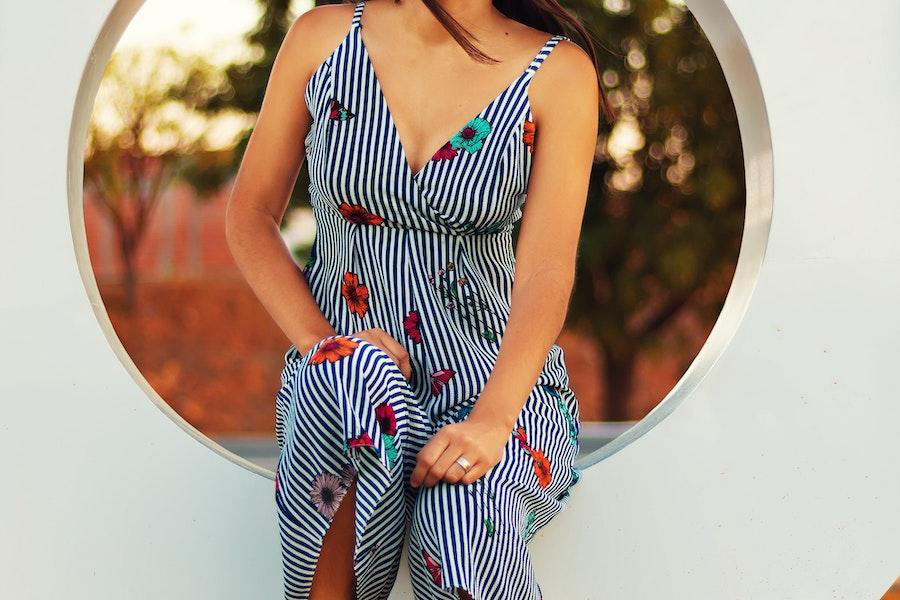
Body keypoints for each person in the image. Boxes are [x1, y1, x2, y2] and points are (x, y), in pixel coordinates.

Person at [225, 0, 610, 598]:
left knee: (461, 517)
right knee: (347, 379)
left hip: (493, 383)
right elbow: (249, 214)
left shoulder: (557, 71)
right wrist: (321, 344)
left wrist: (490, 420)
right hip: (347, 380)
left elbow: (546, 270)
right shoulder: (322, 38)